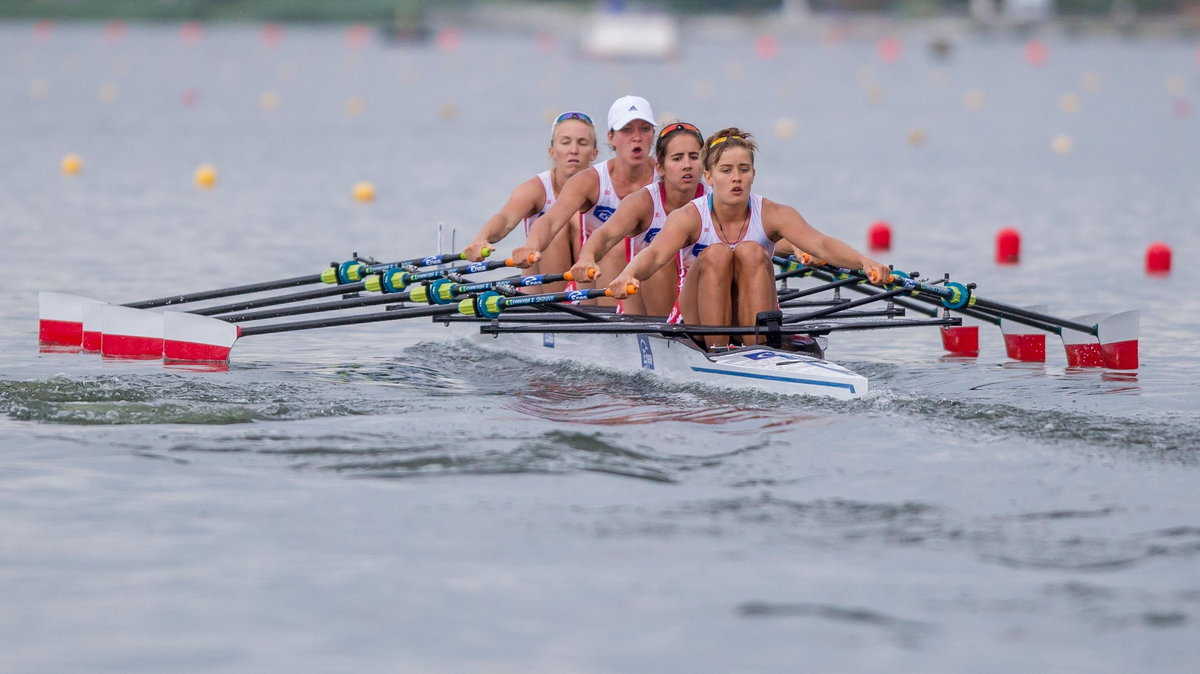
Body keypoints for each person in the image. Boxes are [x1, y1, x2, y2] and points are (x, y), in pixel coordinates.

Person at [606, 127, 891, 348]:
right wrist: (628, 274)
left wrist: (865, 261)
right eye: (726, 170)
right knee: (717, 253)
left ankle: (758, 354)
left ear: (753, 174)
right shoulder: (689, 216)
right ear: (709, 176)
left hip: (750, 318)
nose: (736, 178)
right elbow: (655, 254)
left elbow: (820, 243)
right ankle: (718, 350)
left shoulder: (773, 213)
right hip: (696, 320)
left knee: (752, 252)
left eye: (743, 170)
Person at [511, 95, 659, 303]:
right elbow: (550, 221)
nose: (637, 137)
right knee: (611, 247)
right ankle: (559, 314)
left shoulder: (671, 174)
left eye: (645, 129)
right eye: (627, 130)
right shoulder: (590, 180)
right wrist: (531, 247)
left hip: (652, 277)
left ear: (653, 135)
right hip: (599, 278)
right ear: (612, 137)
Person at [568, 121, 707, 317]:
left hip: (695, 301)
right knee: (659, 258)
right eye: (677, 158)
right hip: (648, 304)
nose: (687, 165)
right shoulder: (642, 202)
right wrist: (586, 258)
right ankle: (663, 336)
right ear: (660, 167)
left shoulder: (715, 202)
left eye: (694, 157)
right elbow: (605, 235)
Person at [461, 111, 599, 292]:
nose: (573, 150)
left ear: (594, 154)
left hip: (588, 284)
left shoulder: (604, 186)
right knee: (556, 229)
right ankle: (558, 307)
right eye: (565, 142)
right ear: (552, 152)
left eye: (582, 143)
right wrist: (481, 239)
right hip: (543, 291)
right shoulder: (536, 189)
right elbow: (505, 219)